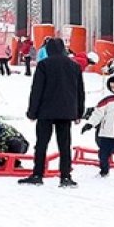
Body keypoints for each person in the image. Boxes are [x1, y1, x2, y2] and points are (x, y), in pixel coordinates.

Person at [20, 37, 84, 188]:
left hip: (45, 111)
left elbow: (37, 90)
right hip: (66, 112)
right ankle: (65, 176)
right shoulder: (74, 66)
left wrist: (32, 112)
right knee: (64, 145)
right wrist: (78, 112)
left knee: (41, 144)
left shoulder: (44, 65)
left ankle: (37, 174)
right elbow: (79, 92)